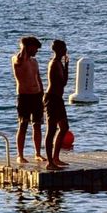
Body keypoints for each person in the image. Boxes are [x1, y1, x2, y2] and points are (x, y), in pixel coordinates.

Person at [12, 36, 44, 163]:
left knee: (37, 125)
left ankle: (37, 153)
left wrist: (42, 93)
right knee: (23, 124)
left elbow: (39, 78)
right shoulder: (17, 59)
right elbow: (18, 60)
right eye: (35, 48)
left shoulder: (34, 62)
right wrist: (23, 47)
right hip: (24, 96)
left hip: (36, 96)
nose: (36, 51)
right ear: (28, 47)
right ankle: (20, 155)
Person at [43, 39, 70, 171]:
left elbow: (63, 82)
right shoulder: (54, 64)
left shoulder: (59, 63)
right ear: (59, 50)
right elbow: (63, 82)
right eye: (64, 48)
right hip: (52, 99)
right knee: (51, 130)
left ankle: (55, 157)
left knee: (64, 127)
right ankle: (50, 162)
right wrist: (66, 67)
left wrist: (65, 66)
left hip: (58, 98)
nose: (66, 51)